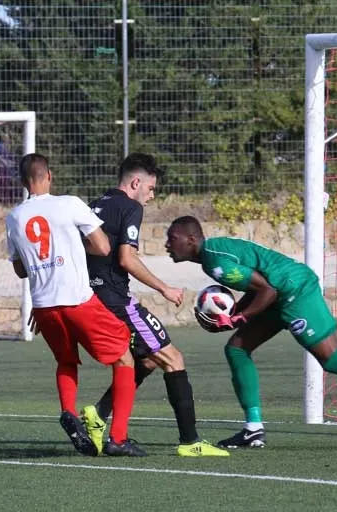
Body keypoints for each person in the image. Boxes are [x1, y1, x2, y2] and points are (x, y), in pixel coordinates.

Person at [165, 215, 337, 449]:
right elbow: (259, 287)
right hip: (280, 292)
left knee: (332, 358)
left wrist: (240, 316)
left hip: (294, 290)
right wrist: (234, 318)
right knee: (237, 348)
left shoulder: (215, 262)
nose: (167, 244)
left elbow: (267, 290)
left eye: (172, 238)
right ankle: (253, 429)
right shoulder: (213, 255)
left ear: (191, 239)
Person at [81, 153, 228, 457]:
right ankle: (191, 442)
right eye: (150, 188)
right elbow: (127, 258)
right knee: (174, 358)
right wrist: (164, 288)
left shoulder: (94, 205)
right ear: (136, 183)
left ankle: (99, 415)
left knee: (147, 360)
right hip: (116, 301)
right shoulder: (130, 207)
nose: (151, 196)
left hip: (91, 298)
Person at [7, 153, 145, 457]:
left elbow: (20, 269)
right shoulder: (69, 203)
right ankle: (118, 438)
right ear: (49, 175)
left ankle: (68, 411)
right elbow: (103, 246)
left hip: (43, 306)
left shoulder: (14, 218)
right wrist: (69, 245)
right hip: (78, 301)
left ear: (22, 182)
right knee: (125, 359)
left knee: (66, 362)